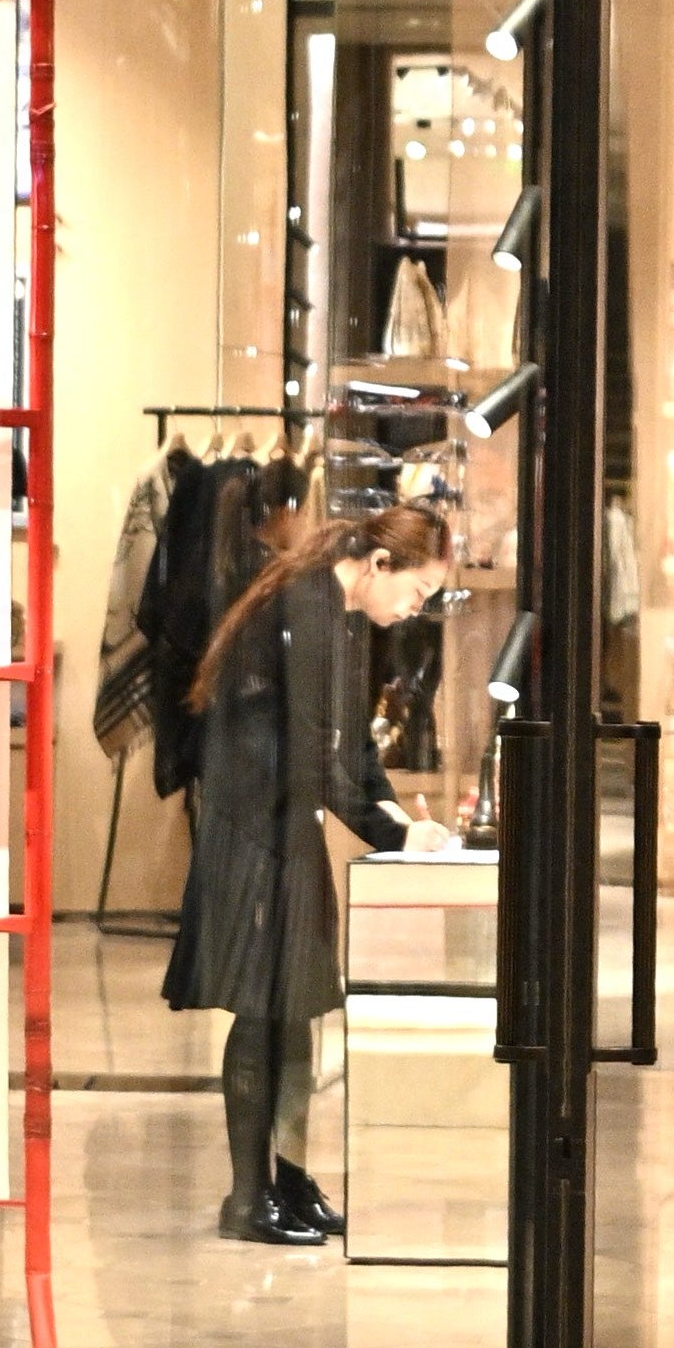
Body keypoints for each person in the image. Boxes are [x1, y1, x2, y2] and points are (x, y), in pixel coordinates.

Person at [167, 499, 445, 1246]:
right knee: (263, 1009)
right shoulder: (309, 603)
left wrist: (399, 824)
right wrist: (391, 830)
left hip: (284, 822)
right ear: (381, 564)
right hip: (253, 826)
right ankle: (246, 1195)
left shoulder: (339, 612)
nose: (415, 610)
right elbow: (314, 750)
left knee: (298, 1004)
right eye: (416, 592)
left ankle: (287, 1179)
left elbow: (345, 748)